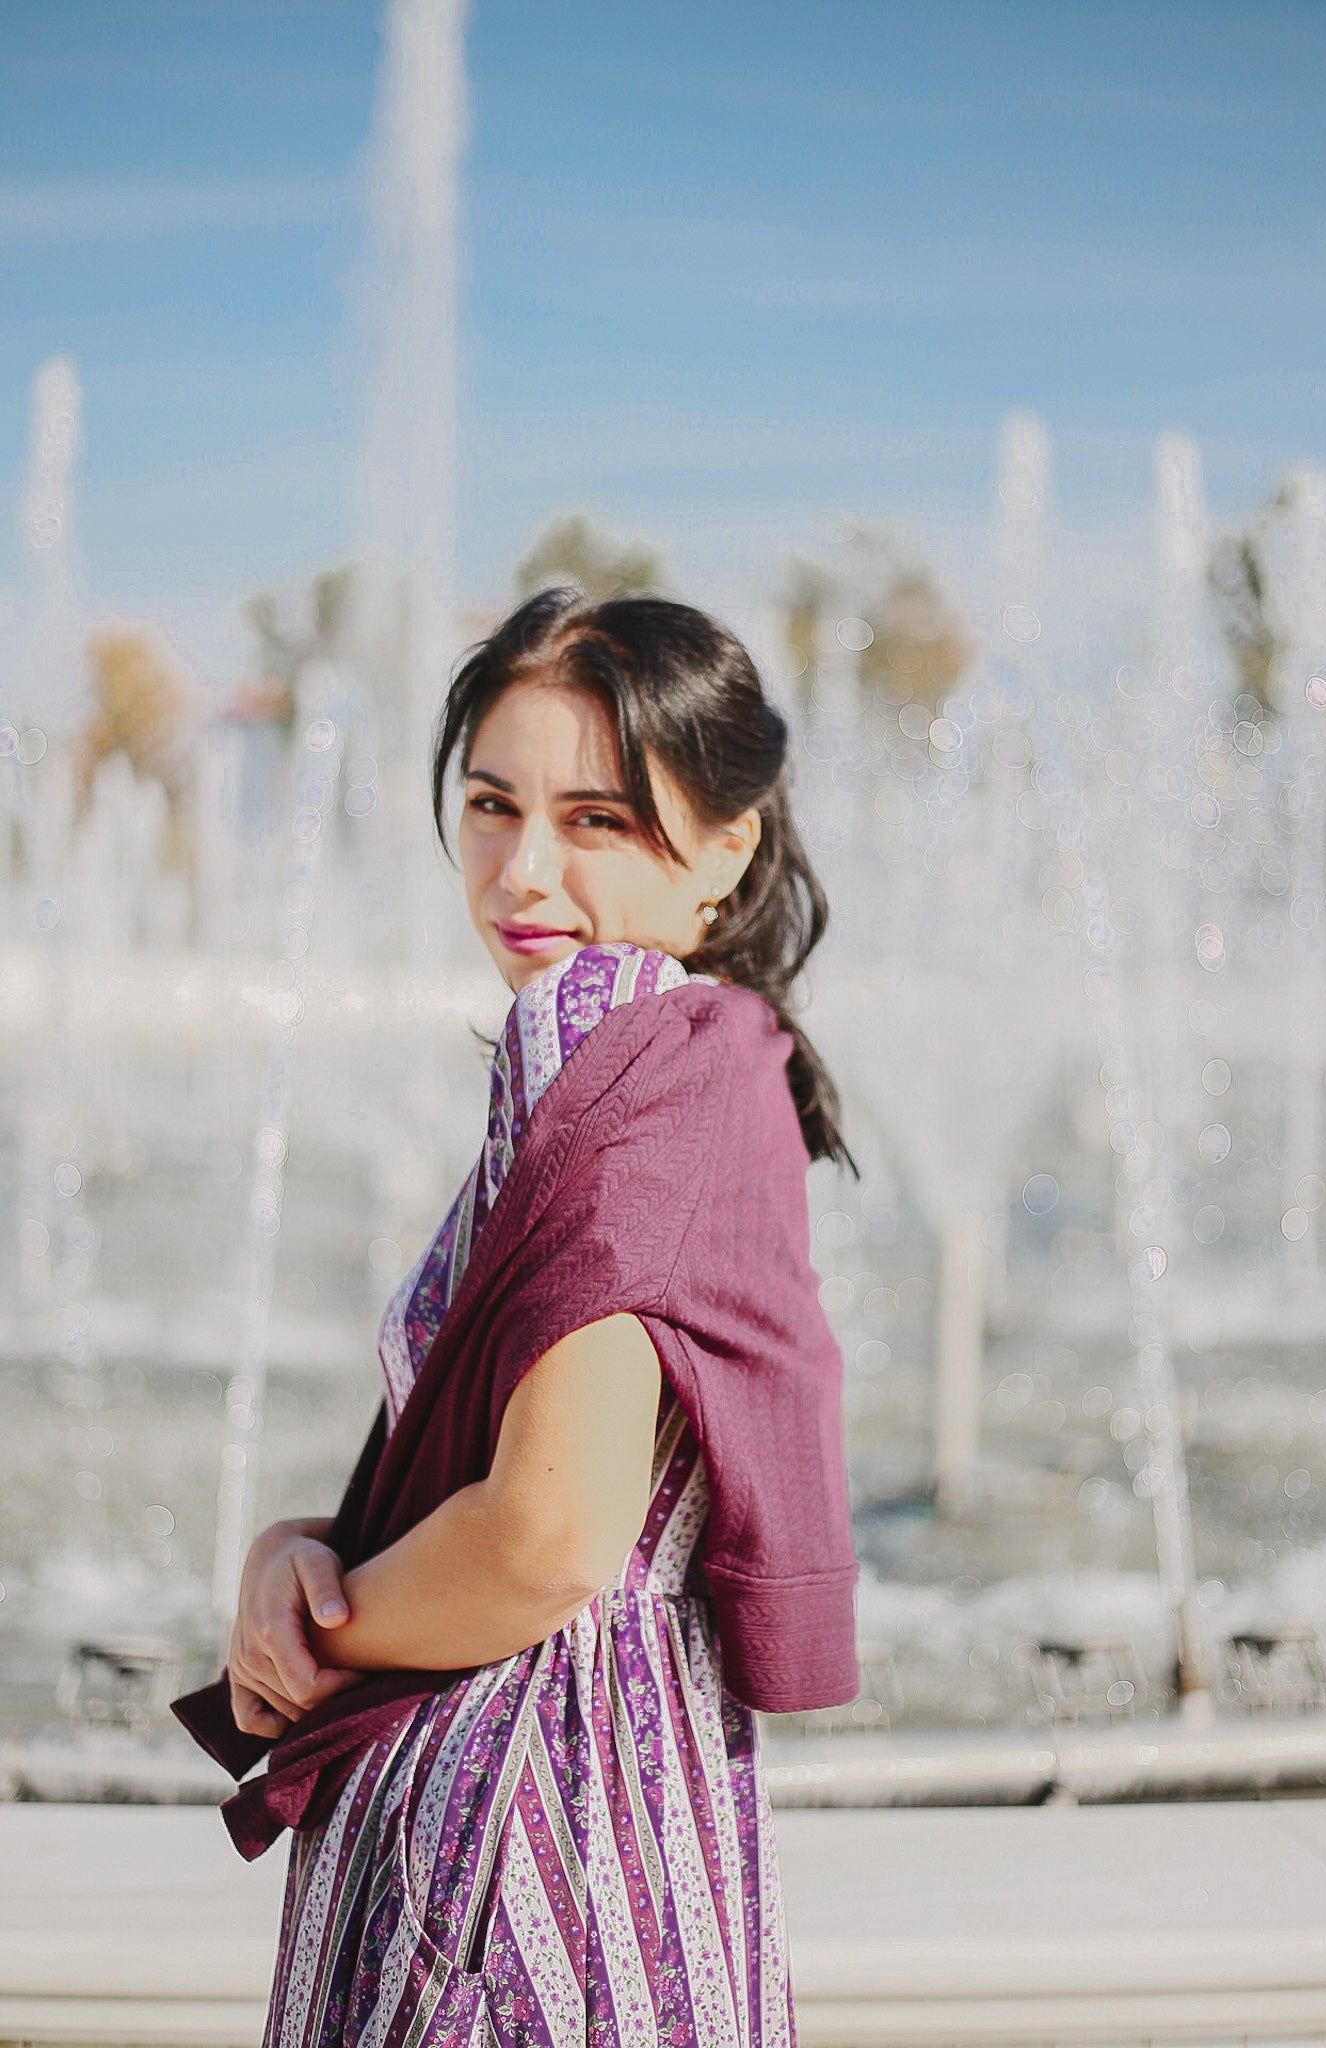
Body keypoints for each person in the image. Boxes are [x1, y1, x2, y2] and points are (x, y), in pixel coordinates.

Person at [173, 587, 860, 2048]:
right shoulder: (702, 1055)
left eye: (597, 820)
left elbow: (549, 1537)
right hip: (618, 1810)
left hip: (524, 1835)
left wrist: (313, 1635)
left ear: (726, 847)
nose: (522, 870)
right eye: (492, 806)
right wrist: (300, 1548)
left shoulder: (605, 1033)